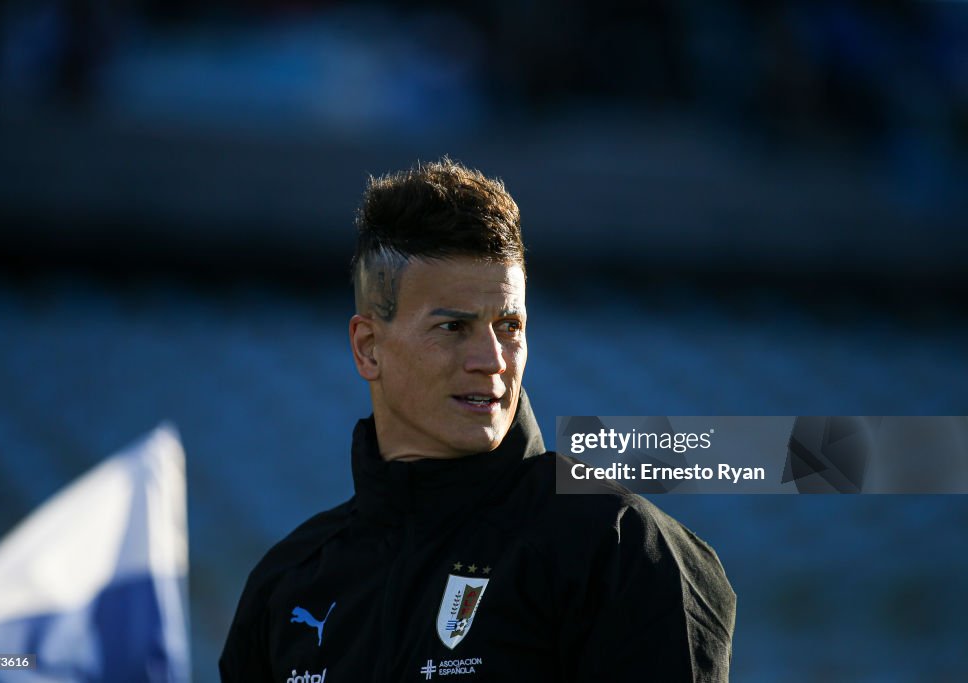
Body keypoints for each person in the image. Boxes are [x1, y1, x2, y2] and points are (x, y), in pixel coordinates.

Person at [219, 158, 736, 682]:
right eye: (453, 327)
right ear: (369, 348)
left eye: (509, 325)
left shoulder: (621, 552)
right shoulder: (287, 585)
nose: (491, 359)